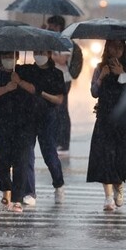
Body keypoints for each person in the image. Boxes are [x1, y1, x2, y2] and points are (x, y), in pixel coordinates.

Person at [0, 51, 37, 213]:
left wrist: (20, 82)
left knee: (21, 161)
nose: (8, 59)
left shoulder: (25, 71)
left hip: (22, 124)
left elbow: (34, 90)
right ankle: (6, 188)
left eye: (11, 56)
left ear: (17, 56)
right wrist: (6, 88)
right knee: (1, 161)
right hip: (1, 123)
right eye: (5, 56)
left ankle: (17, 199)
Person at [88, 39, 126, 211]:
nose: (116, 50)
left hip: (124, 118)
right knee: (105, 157)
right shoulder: (99, 67)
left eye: (119, 47)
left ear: (124, 48)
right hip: (105, 117)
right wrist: (101, 77)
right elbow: (94, 92)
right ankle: (108, 197)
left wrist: (122, 74)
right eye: (113, 46)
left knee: (123, 157)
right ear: (107, 48)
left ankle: (119, 186)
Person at [18, 50, 67, 204]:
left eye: (42, 52)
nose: (39, 55)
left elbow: (59, 99)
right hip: (28, 116)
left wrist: (41, 93)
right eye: (36, 51)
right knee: (27, 153)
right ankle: (29, 192)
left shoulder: (56, 74)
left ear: (49, 53)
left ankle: (58, 184)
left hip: (48, 117)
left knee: (49, 154)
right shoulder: (27, 70)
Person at [47, 15, 75, 155]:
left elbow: (63, 60)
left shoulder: (65, 40)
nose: (49, 28)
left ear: (57, 26)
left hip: (64, 79)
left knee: (62, 110)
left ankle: (64, 143)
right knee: (54, 110)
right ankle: (57, 140)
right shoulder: (51, 39)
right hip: (53, 78)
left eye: (50, 25)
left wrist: (50, 54)